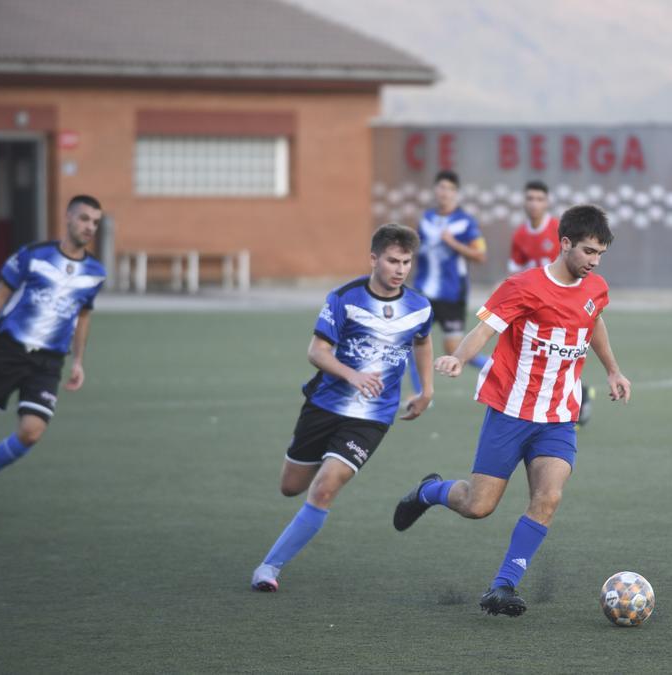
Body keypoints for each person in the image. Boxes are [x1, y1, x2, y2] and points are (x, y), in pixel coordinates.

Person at [392, 204, 632, 617]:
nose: (594, 261)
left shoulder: (594, 289)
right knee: (478, 506)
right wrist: (459, 358)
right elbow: (484, 328)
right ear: (565, 244)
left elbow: (594, 321)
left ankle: (503, 585)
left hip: (558, 415)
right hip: (511, 411)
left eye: (600, 255)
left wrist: (613, 369)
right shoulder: (522, 287)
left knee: (549, 496)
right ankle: (430, 490)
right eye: (589, 252)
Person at [251, 223, 434, 592]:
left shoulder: (419, 307)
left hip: (372, 417)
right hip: (324, 405)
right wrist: (353, 375)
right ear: (373, 258)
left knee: (323, 489)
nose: (400, 269)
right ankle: (322, 460)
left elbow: (422, 343)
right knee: (291, 487)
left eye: (406, 262)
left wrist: (425, 390)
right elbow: (316, 352)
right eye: (393, 260)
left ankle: (269, 568)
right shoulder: (345, 298)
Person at [0, 195, 106, 515]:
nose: (90, 227)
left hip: (48, 361)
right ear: (68, 218)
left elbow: (83, 316)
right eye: (84, 219)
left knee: (31, 432)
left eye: (95, 222)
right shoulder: (34, 255)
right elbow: (1, 295)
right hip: (10, 350)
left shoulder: (95, 272)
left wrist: (79, 361)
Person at [507, 180, 594, 426]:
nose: (534, 204)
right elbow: (514, 273)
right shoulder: (520, 235)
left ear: (547, 202)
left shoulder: (558, 231)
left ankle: (576, 396)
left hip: (562, 305)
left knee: (557, 355)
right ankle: (525, 402)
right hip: (532, 306)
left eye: (539, 199)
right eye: (530, 198)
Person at [414, 170, 487, 363]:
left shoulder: (465, 222)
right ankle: (422, 393)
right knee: (412, 343)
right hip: (424, 292)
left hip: (452, 293)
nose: (444, 192)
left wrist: (452, 242)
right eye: (441, 187)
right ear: (435, 190)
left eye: (450, 188)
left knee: (454, 351)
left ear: (456, 193)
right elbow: (417, 249)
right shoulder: (426, 218)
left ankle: (494, 368)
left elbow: (480, 255)